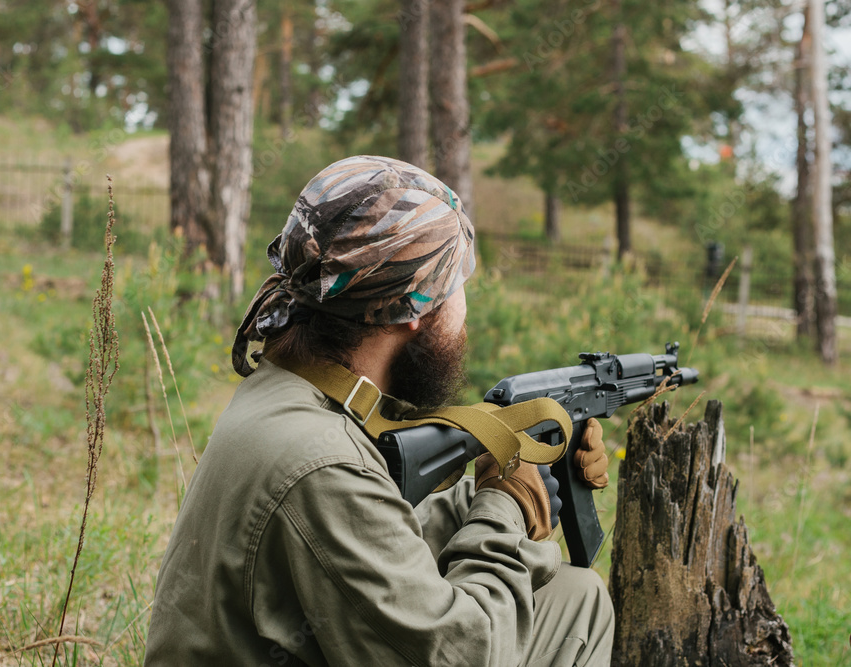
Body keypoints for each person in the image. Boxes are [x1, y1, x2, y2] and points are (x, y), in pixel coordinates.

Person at [144, 156, 615, 666]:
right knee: (578, 609)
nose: (463, 312)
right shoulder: (324, 462)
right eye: (457, 286)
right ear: (415, 308)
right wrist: (506, 512)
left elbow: (364, 537)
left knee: (575, 594)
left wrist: (482, 492)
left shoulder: (287, 393)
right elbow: (466, 654)